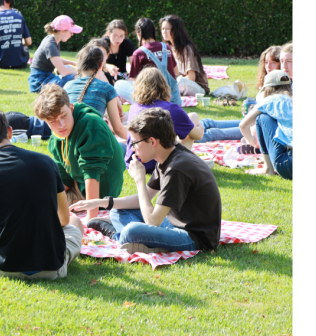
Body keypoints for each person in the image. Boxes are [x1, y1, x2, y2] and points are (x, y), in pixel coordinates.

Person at [0, 106, 84, 279]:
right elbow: (64, 219)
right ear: (10, 132)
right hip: (53, 267)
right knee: (75, 220)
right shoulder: (46, 162)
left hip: (3, 266)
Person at [71, 108, 222, 254]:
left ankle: (118, 236)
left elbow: (152, 221)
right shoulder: (167, 156)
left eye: (135, 142)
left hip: (194, 237)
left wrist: (139, 180)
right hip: (172, 223)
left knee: (132, 230)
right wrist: (100, 202)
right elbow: (142, 199)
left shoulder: (176, 169)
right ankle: (135, 240)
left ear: (152, 141)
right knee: (118, 209)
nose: (132, 148)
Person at [34, 84, 125, 222]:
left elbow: (92, 176)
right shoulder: (55, 138)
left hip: (101, 192)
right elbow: (64, 178)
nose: (61, 125)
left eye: (64, 116)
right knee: (37, 201)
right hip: (79, 184)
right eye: (53, 122)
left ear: (71, 107)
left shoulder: (91, 125)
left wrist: (91, 220)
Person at [124, 67, 202, 172]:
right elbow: (198, 136)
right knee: (192, 120)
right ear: (164, 86)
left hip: (133, 162)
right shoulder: (171, 109)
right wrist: (199, 124)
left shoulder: (134, 107)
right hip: (159, 164)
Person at [63, 45, 127, 139]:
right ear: (101, 65)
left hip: (69, 143)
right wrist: (133, 140)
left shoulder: (67, 86)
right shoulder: (107, 88)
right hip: (94, 143)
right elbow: (117, 129)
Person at [114, 17, 181, 106]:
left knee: (118, 84)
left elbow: (136, 84)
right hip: (174, 100)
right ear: (154, 32)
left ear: (138, 34)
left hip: (152, 102)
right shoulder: (166, 47)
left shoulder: (138, 53)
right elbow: (176, 72)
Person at [239, 70, 292, 180]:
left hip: (288, 166)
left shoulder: (269, 100)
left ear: (268, 89)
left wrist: (252, 141)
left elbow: (243, 125)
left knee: (261, 118)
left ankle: (268, 169)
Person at [28, 15, 82, 93]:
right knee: (72, 76)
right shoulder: (50, 44)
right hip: (39, 83)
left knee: (68, 68)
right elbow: (63, 71)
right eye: (71, 32)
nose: (72, 34)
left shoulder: (54, 40)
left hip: (46, 77)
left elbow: (55, 59)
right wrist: (80, 72)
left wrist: (72, 63)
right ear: (62, 31)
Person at [160, 15, 210, 96]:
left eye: (167, 29)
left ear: (176, 30)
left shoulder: (187, 49)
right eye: (162, 29)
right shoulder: (166, 48)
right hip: (178, 84)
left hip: (196, 87)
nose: (164, 32)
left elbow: (191, 78)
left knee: (180, 82)